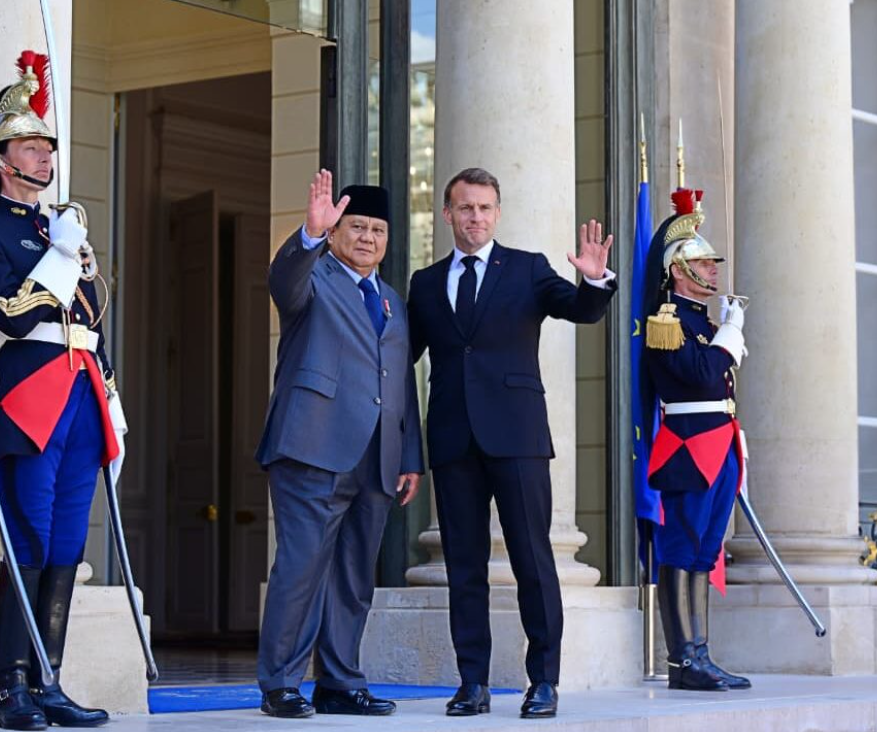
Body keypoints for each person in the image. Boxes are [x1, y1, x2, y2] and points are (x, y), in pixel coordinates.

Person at [406, 167, 615, 719]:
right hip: (453, 440)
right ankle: (471, 682)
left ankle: (543, 681)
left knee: (532, 558)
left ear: (497, 214)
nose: (475, 217)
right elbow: (399, 361)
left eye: (485, 208)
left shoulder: (526, 269)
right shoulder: (425, 284)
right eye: (465, 207)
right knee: (464, 566)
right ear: (447, 214)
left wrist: (594, 281)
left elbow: (581, 310)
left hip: (518, 438)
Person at [0, 51, 124, 730]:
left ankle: (49, 681)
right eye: (28, 145)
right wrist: (60, 260)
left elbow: (91, 318)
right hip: (29, 395)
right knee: (28, 541)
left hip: (82, 394)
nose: (42, 155)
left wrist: (111, 393)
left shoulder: (61, 223)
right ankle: (12, 692)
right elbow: (8, 313)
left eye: (45, 145)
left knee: (67, 546)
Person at [254, 170, 424, 718]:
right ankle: (280, 682)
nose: (368, 238)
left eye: (378, 230)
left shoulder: (393, 301)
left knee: (354, 578)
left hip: (377, 459)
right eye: (356, 227)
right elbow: (284, 281)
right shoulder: (313, 279)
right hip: (312, 447)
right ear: (334, 232)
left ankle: (339, 680)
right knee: (301, 568)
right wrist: (307, 235)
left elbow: (400, 384)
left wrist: (411, 458)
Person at [640, 185, 749, 691]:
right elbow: (700, 373)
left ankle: (700, 653)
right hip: (688, 445)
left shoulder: (701, 321)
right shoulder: (668, 321)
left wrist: (723, 331)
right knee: (681, 547)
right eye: (704, 265)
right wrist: (730, 336)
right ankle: (681, 658)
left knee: (706, 550)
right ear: (680, 271)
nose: (713, 272)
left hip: (719, 442)